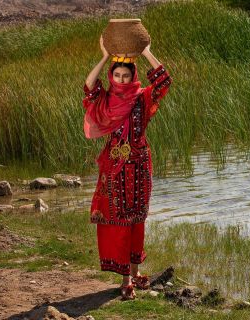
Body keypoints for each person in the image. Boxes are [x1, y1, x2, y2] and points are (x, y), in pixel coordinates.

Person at [83, 35, 172, 300]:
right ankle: (125, 279)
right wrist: (103, 57)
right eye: (117, 75)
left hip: (140, 163)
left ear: (132, 77)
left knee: (138, 217)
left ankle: (135, 271)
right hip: (114, 168)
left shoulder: (142, 98)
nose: (121, 80)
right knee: (120, 219)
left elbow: (164, 82)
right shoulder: (106, 101)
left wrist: (146, 52)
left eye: (125, 76)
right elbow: (88, 86)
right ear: (112, 76)